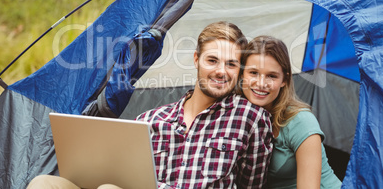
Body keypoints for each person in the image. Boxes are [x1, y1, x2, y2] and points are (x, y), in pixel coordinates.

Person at [27, 21, 273, 189]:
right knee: (44, 183)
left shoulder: (250, 118)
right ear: (196, 59)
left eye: (231, 64)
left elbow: (251, 184)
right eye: (212, 60)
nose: (221, 71)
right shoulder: (151, 120)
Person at [236, 35, 342, 189]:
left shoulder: (301, 121)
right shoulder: (236, 116)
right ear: (242, 74)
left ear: (284, 80)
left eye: (271, 76)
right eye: (253, 73)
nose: (261, 83)